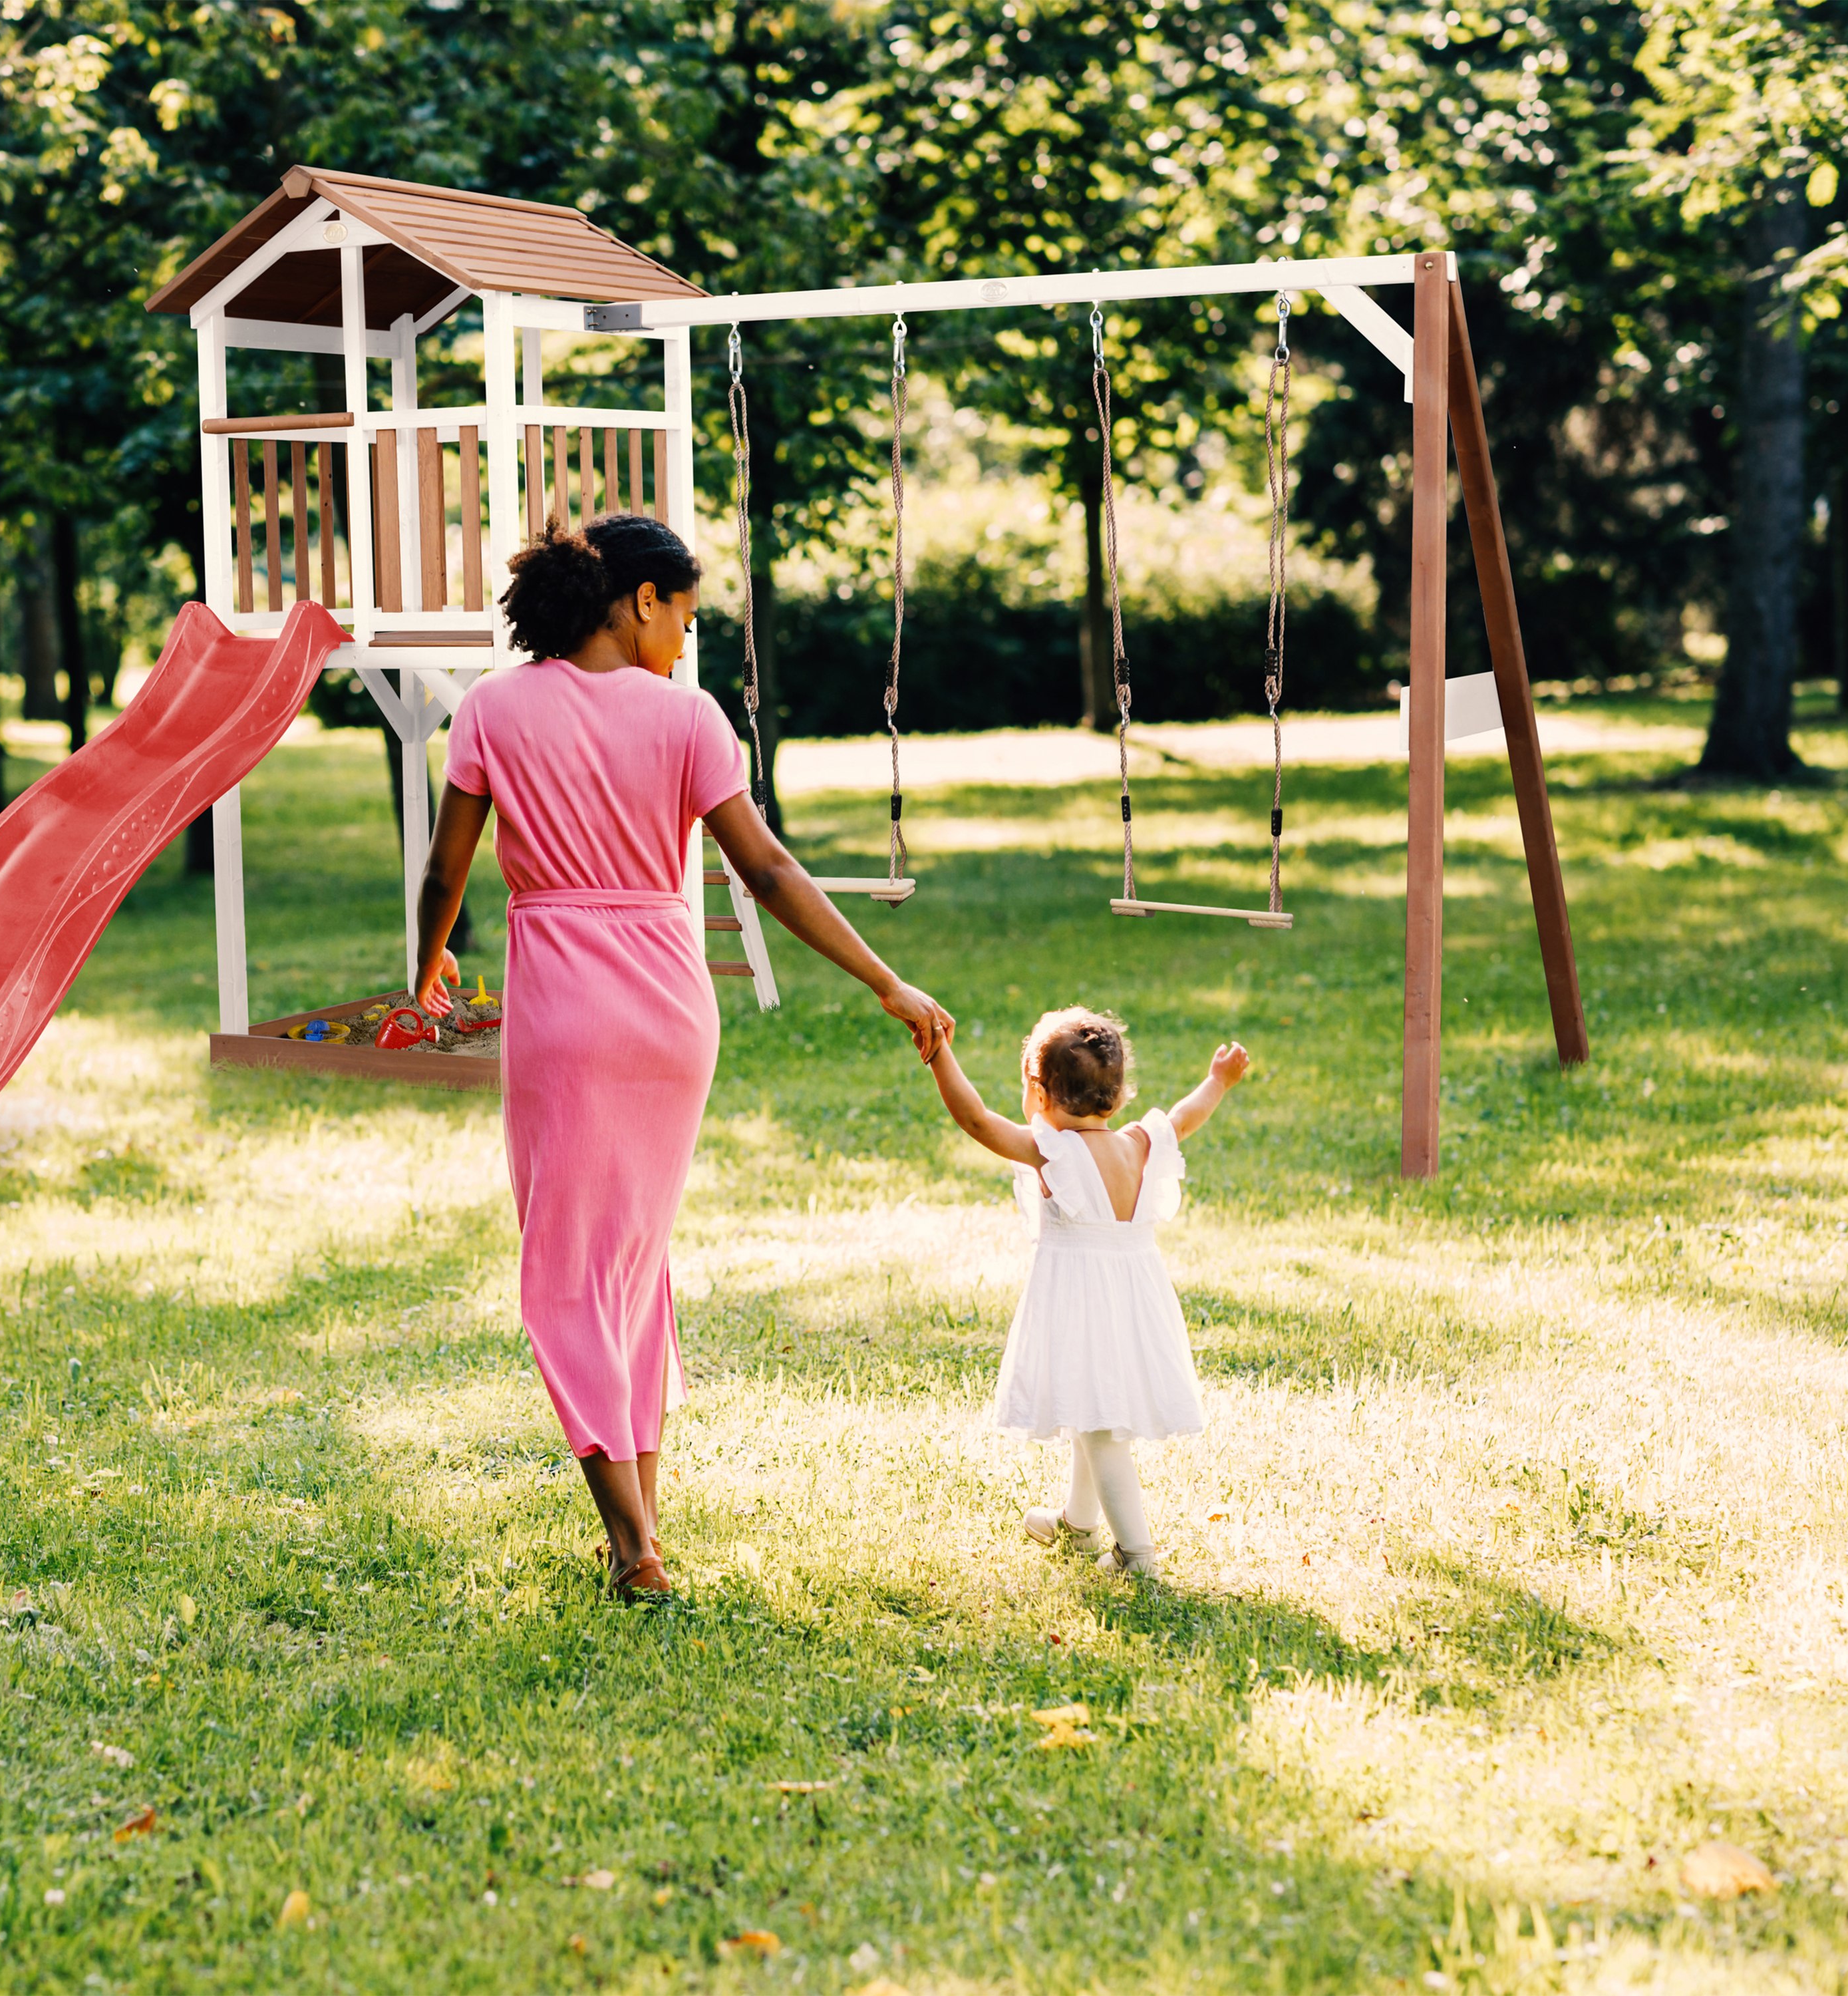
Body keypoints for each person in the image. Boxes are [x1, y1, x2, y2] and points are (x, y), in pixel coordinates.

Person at [412, 515, 954, 1601]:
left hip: (564, 1011)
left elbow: (446, 872)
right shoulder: (690, 719)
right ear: (639, 600)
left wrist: (423, 972)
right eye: (685, 618)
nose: (685, 642)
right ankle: (642, 1526)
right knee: (631, 1266)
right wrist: (883, 979)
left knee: (569, 1275)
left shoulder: (492, 709)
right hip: (669, 1012)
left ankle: (631, 1547)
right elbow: (768, 871)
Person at [923, 1007, 1251, 1578]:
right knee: (1088, 1408)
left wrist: (938, 1053)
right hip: (1133, 1302)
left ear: (1039, 1093)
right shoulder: (1140, 1143)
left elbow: (976, 1120)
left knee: (1100, 1430)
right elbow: (1185, 1115)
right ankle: (1078, 1525)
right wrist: (1218, 1081)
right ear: (1119, 1096)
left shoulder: (1053, 1153)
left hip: (1082, 1305)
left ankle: (1136, 1555)